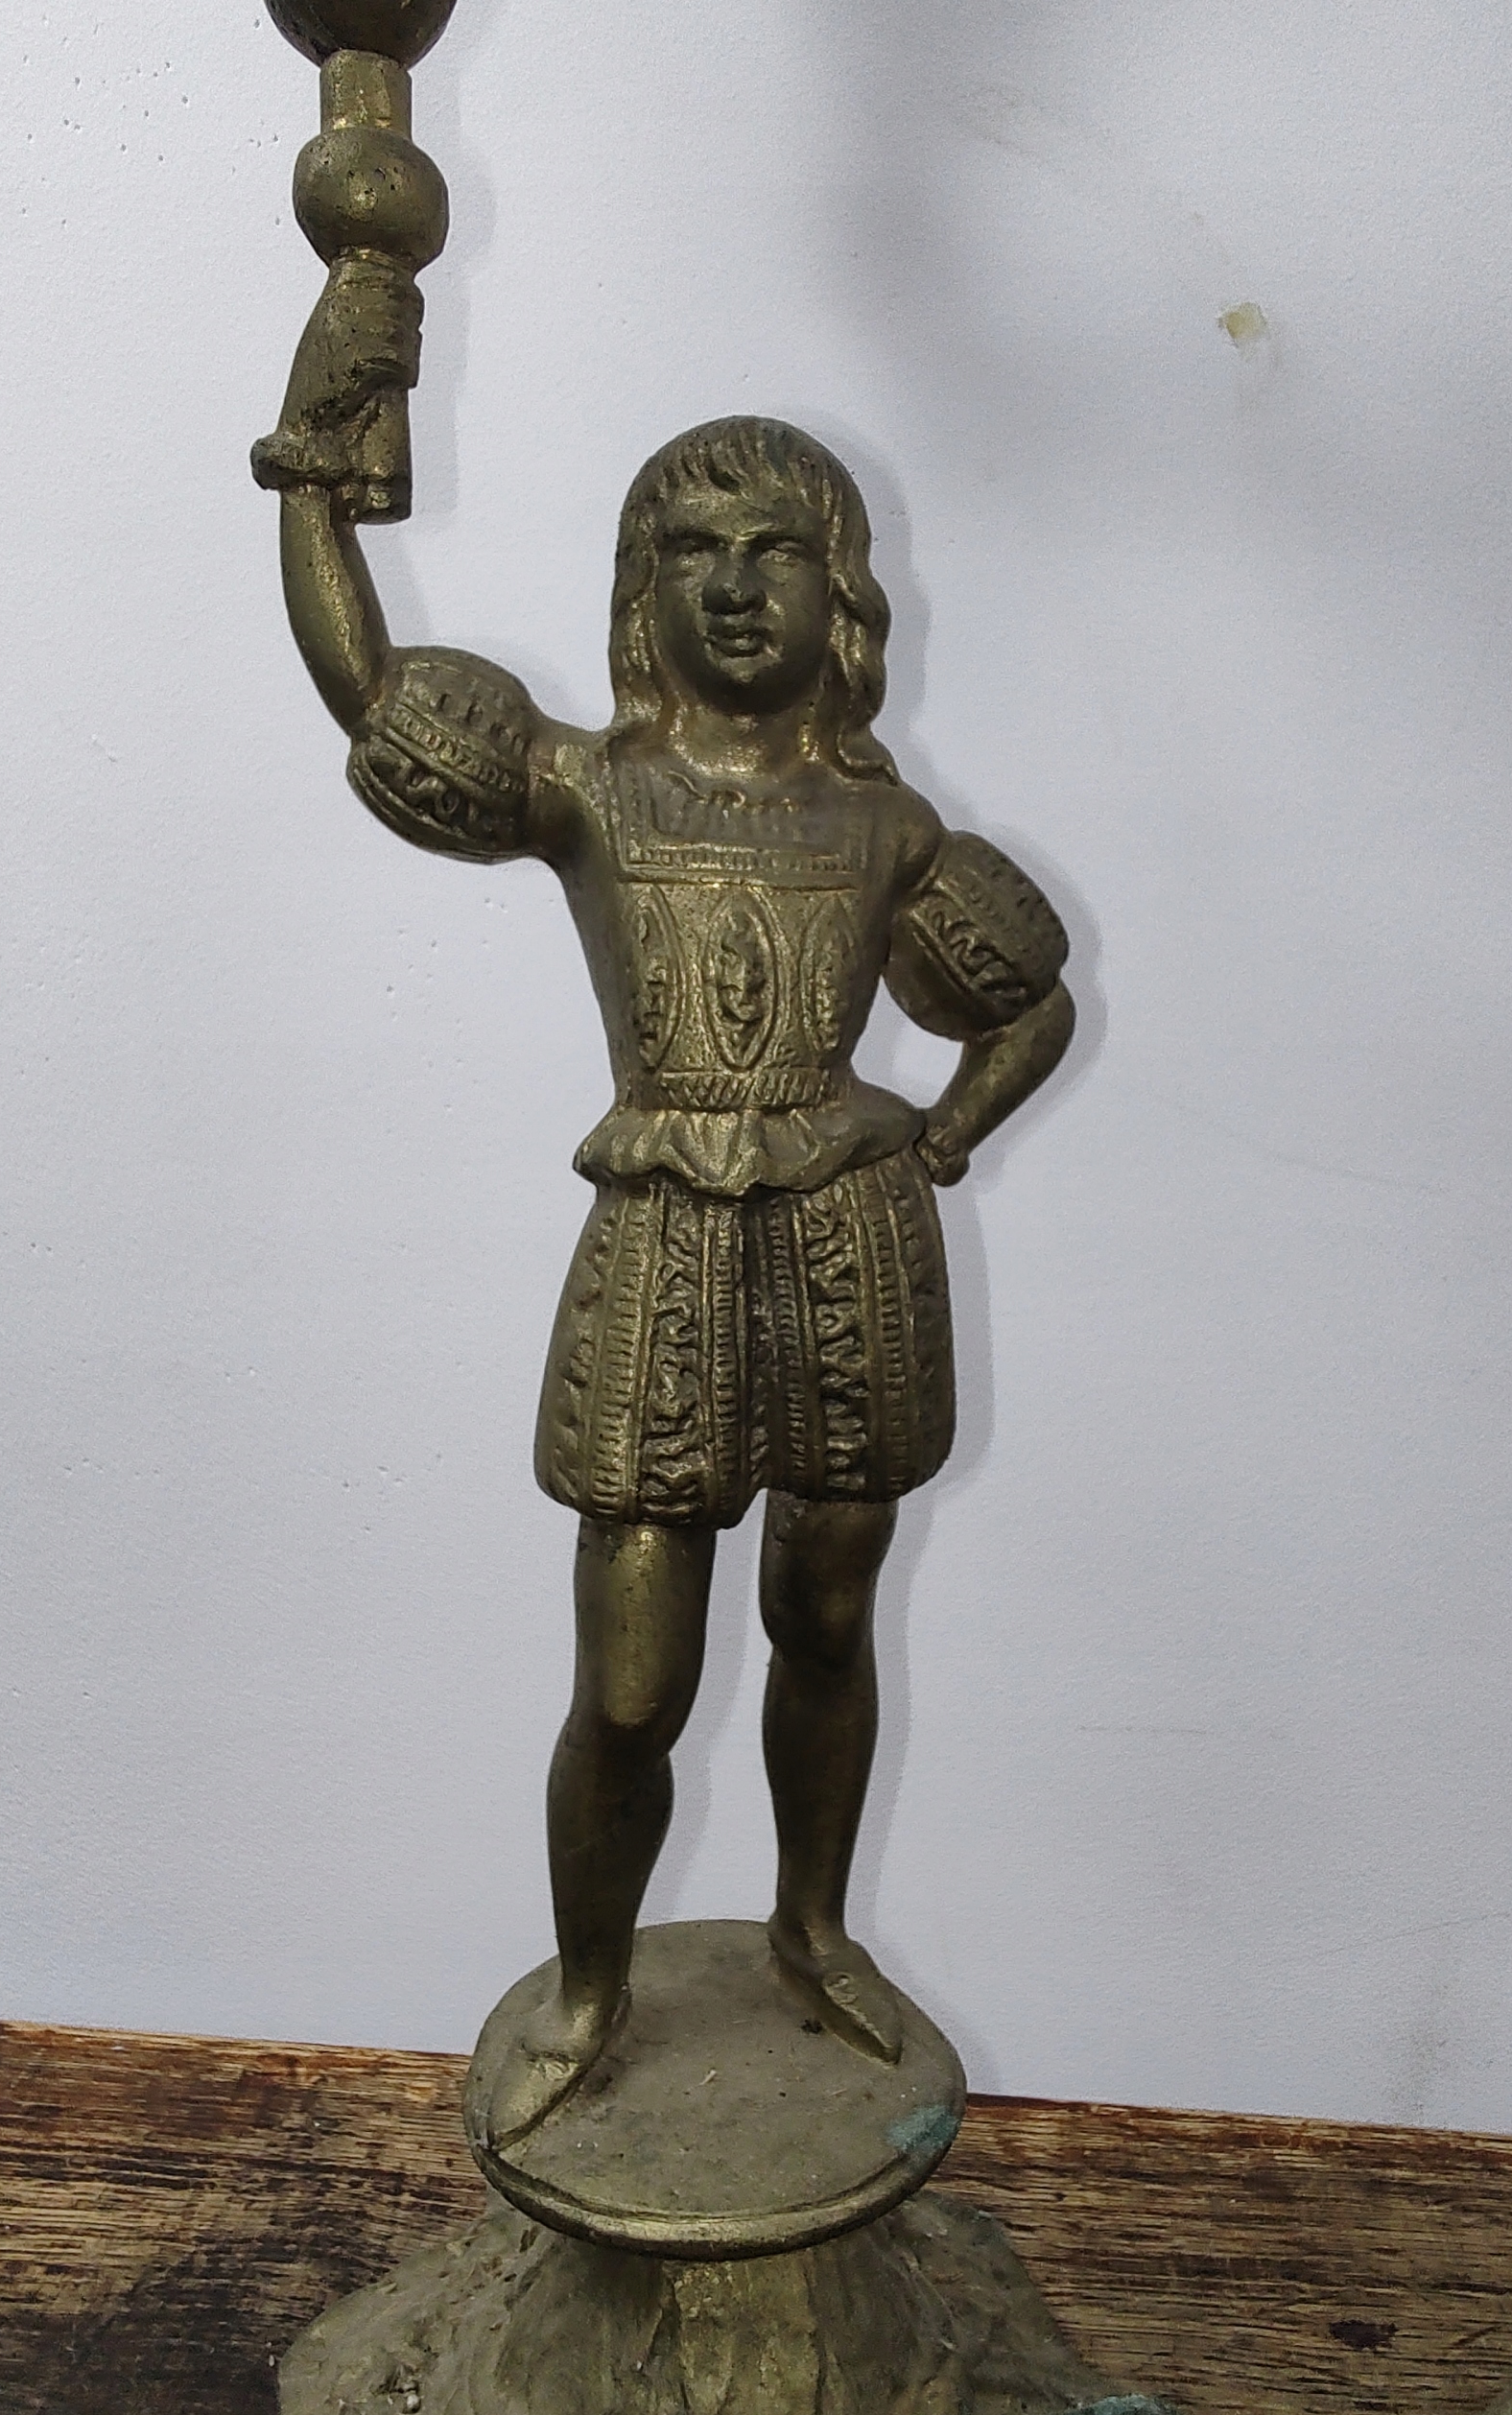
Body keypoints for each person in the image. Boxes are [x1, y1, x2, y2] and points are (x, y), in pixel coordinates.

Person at [267, 413, 1075, 2145]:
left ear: (840, 595)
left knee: (830, 1618)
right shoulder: (591, 788)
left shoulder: (882, 825)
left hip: (850, 1247)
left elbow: (1029, 996)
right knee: (632, 1687)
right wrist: (317, 473)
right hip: (663, 1244)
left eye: (774, 550)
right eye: (693, 551)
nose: (733, 585)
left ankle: (811, 1927)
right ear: (642, 590)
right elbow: (372, 690)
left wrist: (940, 1137)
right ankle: (589, 1989)